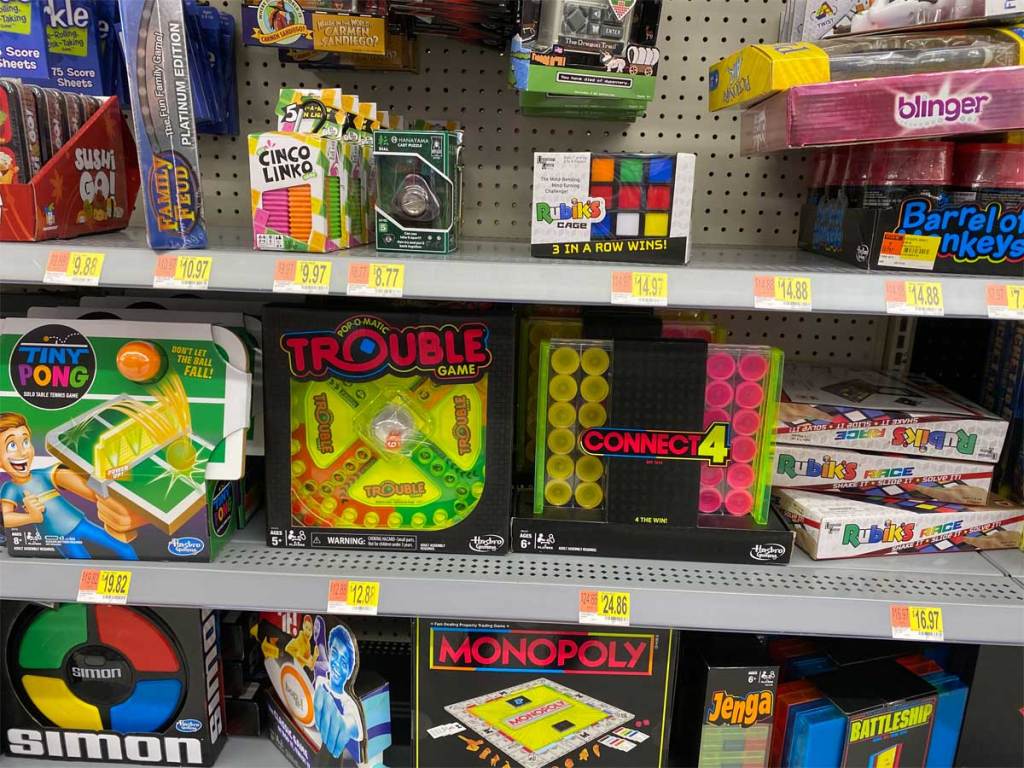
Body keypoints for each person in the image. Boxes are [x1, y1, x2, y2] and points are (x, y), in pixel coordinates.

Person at [0, 412, 141, 560]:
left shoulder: (42, 474)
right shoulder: (10, 488)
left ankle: (139, 576)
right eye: (11, 445)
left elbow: (72, 481)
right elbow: (7, 517)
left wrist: (107, 495)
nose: (22, 452)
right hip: (56, 535)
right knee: (81, 561)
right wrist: (31, 517)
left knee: (122, 547)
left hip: (79, 521)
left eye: (26, 442)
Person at [312, 619, 364, 759]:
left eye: (344, 663)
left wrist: (344, 725)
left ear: (349, 673)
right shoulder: (321, 682)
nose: (337, 665)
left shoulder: (349, 703)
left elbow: (351, 722)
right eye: (334, 654)